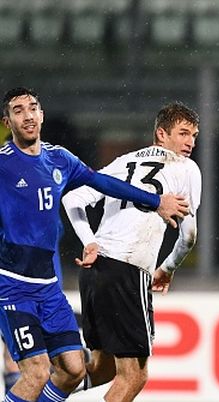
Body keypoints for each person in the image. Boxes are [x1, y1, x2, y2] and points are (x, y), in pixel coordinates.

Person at [0, 86, 189, 402]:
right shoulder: (3, 163)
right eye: (18, 111)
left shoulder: (59, 159)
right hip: (12, 287)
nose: (28, 115)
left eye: (32, 107)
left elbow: (105, 183)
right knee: (36, 371)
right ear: (8, 122)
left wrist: (156, 201)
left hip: (48, 287)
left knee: (73, 370)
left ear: (41, 114)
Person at [62, 101, 202, 401]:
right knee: (135, 376)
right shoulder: (186, 168)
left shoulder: (123, 162)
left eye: (194, 135)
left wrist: (89, 241)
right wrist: (168, 267)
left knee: (101, 369)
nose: (190, 142)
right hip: (126, 269)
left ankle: (36, 391)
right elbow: (188, 236)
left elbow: (72, 200)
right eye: (183, 133)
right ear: (161, 134)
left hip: (93, 271)